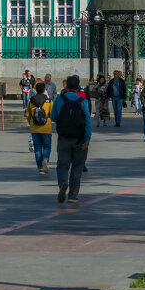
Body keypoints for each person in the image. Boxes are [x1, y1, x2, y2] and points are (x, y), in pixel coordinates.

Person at [50, 75, 90, 203]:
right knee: (77, 166)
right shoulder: (82, 101)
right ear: (78, 86)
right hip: (80, 139)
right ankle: (73, 195)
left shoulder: (59, 99)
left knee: (62, 165)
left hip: (64, 138)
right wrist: (87, 139)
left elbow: (53, 117)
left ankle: (63, 183)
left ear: (66, 85)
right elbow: (88, 122)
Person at [25, 82, 53, 174]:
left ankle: (40, 167)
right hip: (46, 128)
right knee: (47, 147)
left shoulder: (31, 101)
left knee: (37, 148)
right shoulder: (49, 101)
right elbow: (52, 114)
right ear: (44, 90)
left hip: (35, 128)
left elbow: (28, 115)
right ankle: (45, 159)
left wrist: (31, 123)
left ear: (36, 90)